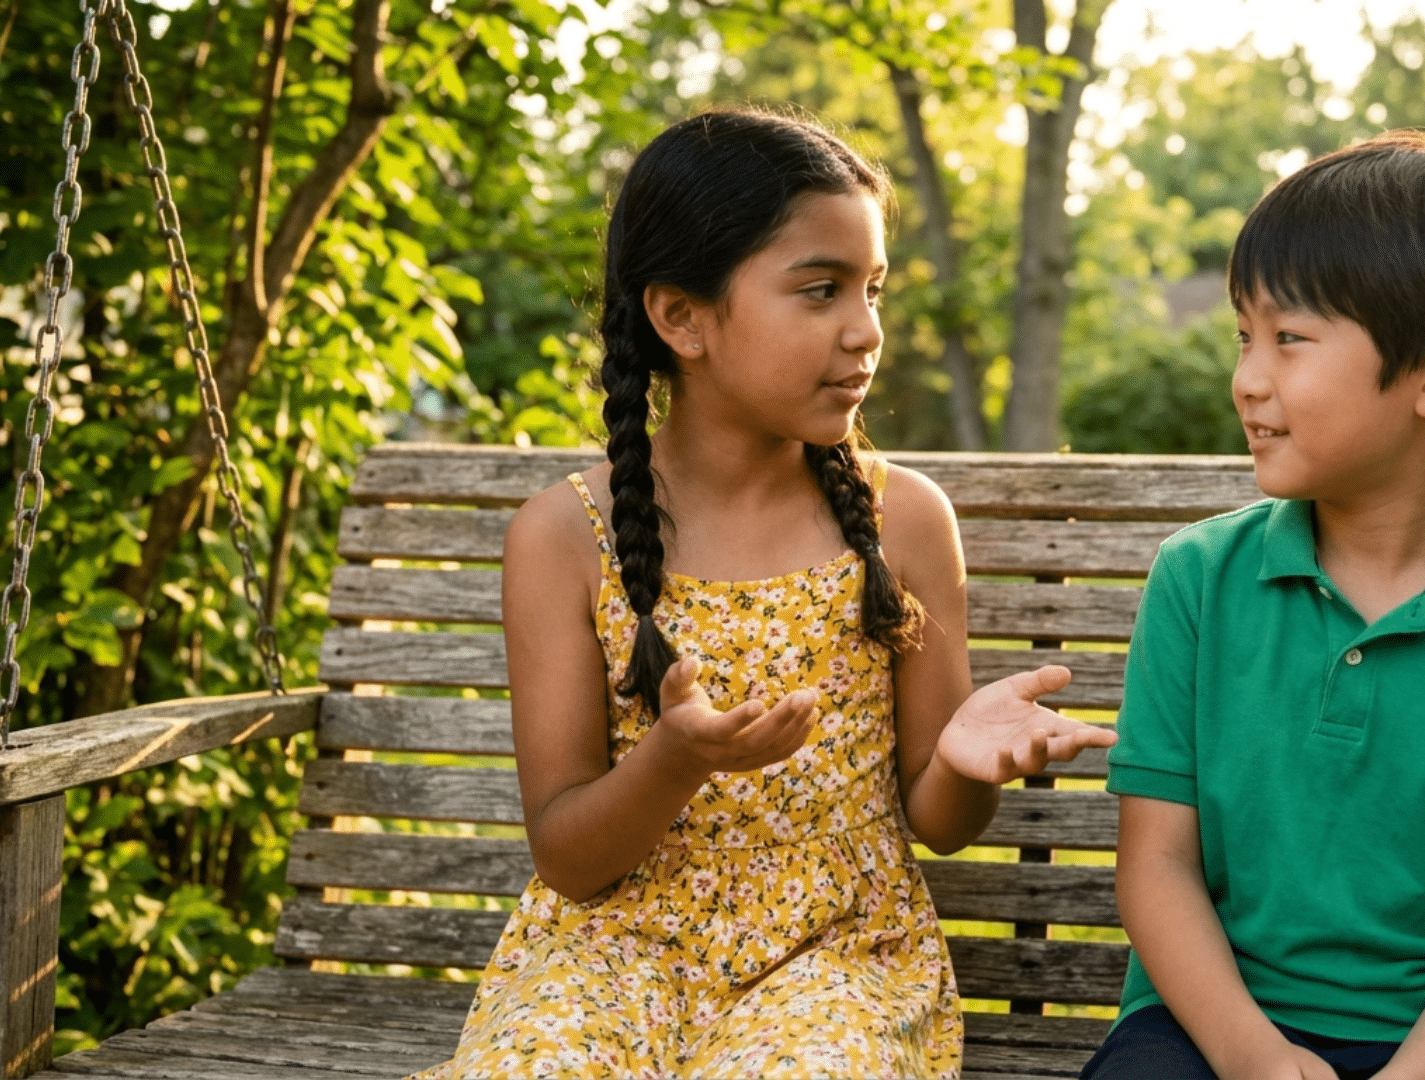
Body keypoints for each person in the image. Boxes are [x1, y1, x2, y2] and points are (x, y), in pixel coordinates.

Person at [414, 108, 1115, 1080]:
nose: (865, 331)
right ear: (681, 317)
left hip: (833, 964)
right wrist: (674, 760)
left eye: (872, 289)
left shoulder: (902, 519)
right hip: (610, 959)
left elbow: (941, 825)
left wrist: (962, 762)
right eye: (820, 290)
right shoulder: (563, 537)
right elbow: (571, 859)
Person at [1080, 131, 1425, 1080]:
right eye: (1243, 337)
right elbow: (1156, 866)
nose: (1247, 378)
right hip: (1212, 1027)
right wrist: (1252, 1054)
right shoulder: (1200, 580)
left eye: (1290, 339)